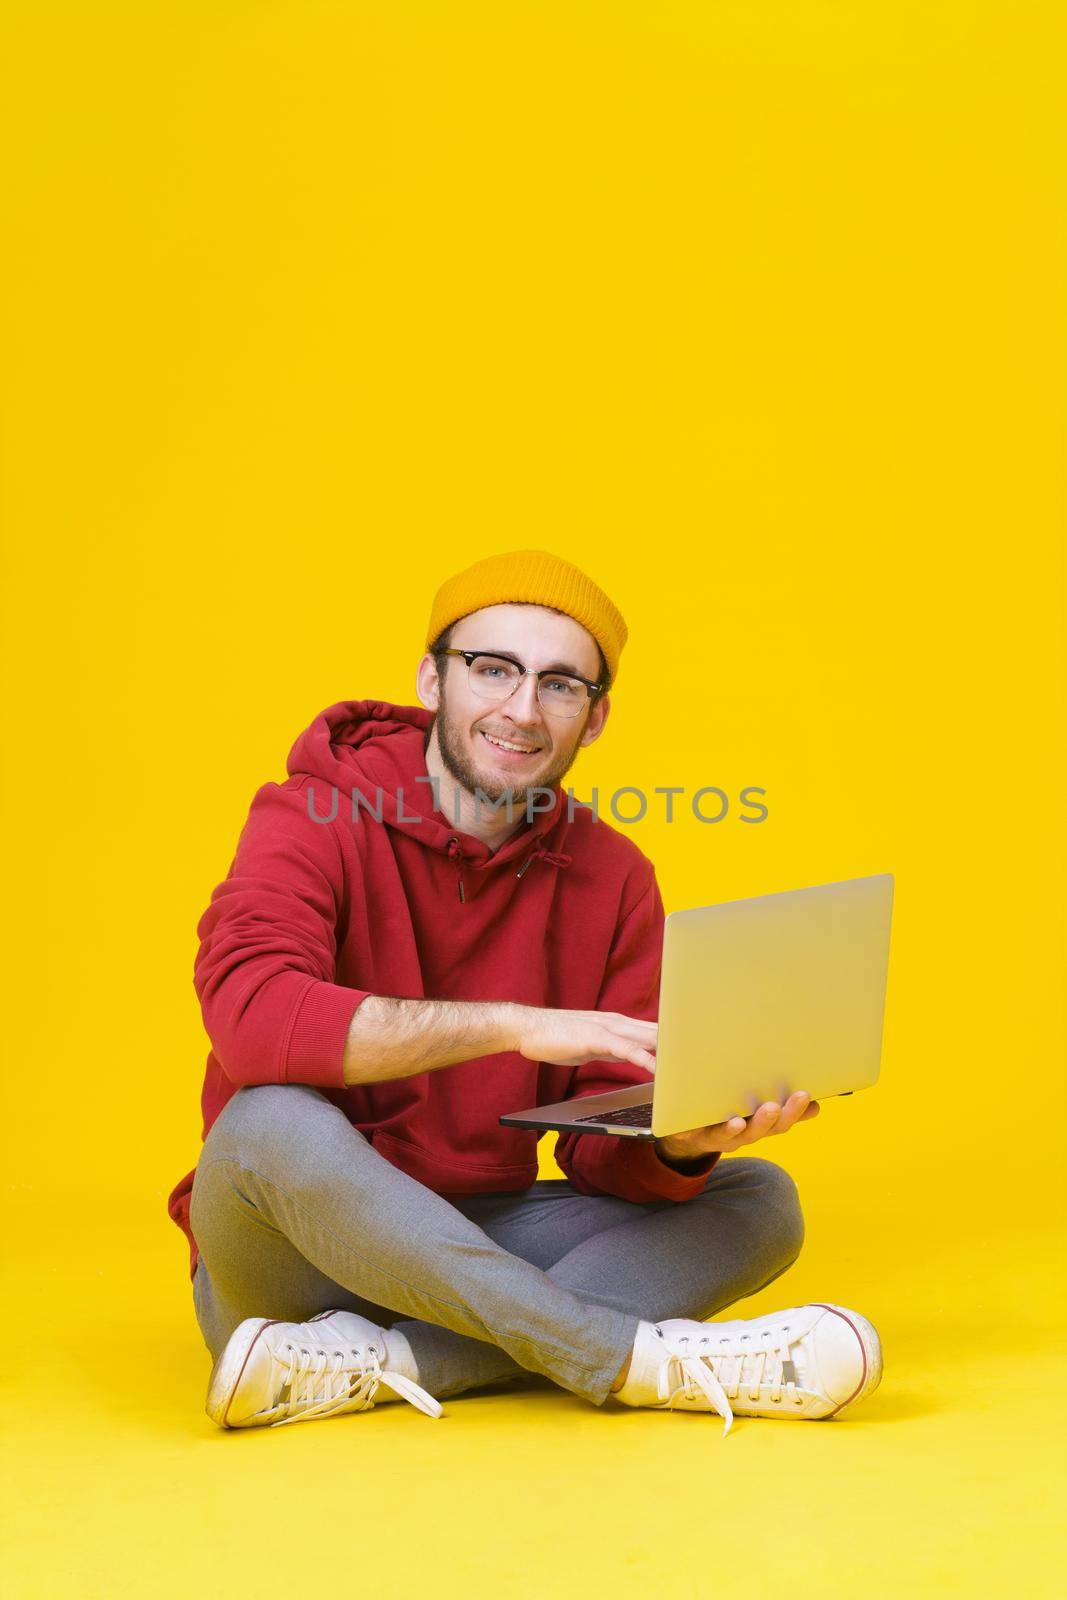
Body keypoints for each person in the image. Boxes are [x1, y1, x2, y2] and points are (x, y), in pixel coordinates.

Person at [168, 548, 882, 1436]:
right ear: (431, 678)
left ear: (596, 717)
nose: (520, 709)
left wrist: (680, 1143)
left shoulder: (613, 875)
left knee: (757, 1198)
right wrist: (511, 1026)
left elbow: (597, 1148)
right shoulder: (307, 816)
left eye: (559, 685)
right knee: (267, 1119)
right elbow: (254, 1024)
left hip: (469, 1236)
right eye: (491, 669)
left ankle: (389, 1368)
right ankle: (638, 1362)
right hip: (295, 1264)